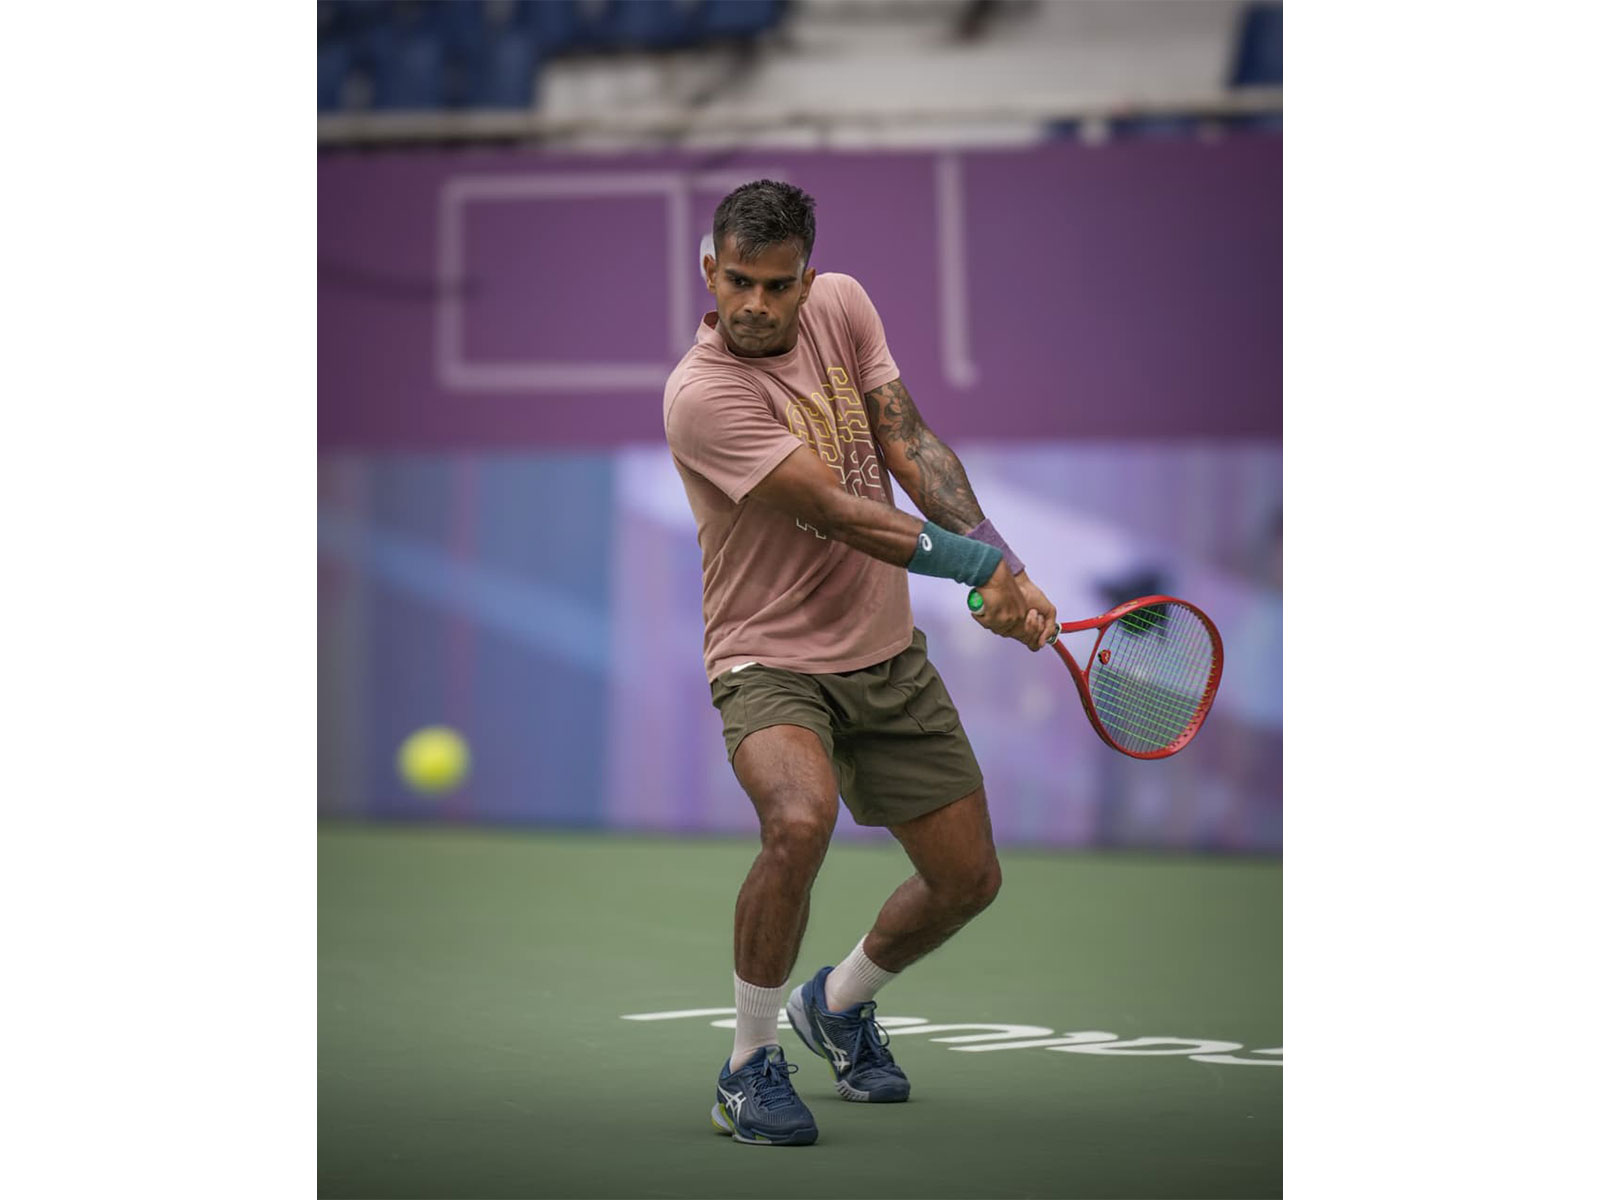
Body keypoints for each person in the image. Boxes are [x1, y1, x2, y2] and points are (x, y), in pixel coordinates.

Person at [663, 180, 1058, 1147]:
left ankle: (837, 1003)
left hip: (885, 657)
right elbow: (836, 509)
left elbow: (908, 443)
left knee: (968, 880)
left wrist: (1001, 556)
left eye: (777, 284)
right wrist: (978, 571)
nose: (755, 304)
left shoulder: (844, 305)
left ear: (807, 279)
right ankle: (749, 1065)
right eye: (738, 281)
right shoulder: (703, 394)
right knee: (800, 821)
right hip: (768, 658)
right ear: (709, 271)